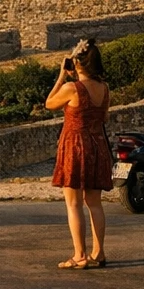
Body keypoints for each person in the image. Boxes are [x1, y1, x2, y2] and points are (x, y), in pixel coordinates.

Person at [46, 38, 113, 269]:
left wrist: (61, 76)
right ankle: (99, 252)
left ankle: (79, 255)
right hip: (97, 145)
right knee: (94, 203)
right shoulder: (104, 89)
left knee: (73, 204)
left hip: (75, 146)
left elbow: (49, 103)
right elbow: (104, 118)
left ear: (77, 63)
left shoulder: (71, 88)